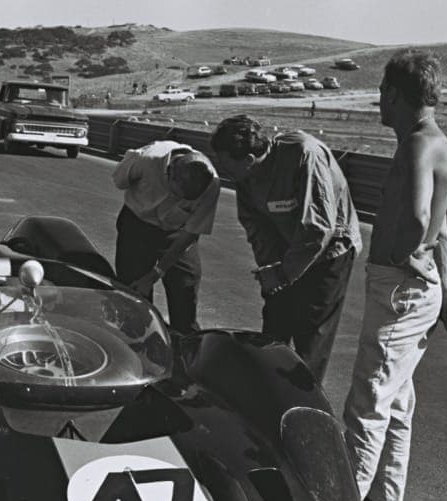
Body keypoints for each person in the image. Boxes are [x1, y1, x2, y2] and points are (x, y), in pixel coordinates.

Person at [342, 49, 447, 501]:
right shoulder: (439, 144)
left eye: (380, 94)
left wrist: (401, 257)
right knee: (397, 397)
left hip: (401, 286)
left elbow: (417, 219)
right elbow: (446, 233)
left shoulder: (417, 145)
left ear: (394, 94)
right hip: (422, 285)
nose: (378, 103)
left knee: (369, 396)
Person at [209, 115, 361, 382]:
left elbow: (317, 229)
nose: (222, 170)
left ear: (247, 160)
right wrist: (272, 271)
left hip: (329, 251)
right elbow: (255, 225)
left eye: (226, 164)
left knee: (310, 338)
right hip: (287, 248)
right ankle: (270, 395)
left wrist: (282, 274)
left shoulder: (303, 154)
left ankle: (304, 406)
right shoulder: (245, 176)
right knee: (275, 327)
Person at [112, 140, 221, 333]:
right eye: (177, 194)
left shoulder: (212, 184)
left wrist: (156, 273)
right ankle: (137, 341)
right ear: (169, 174)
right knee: (134, 294)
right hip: (136, 225)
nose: (179, 201)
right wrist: (145, 280)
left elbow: (191, 232)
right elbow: (119, 180)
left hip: (177, 232)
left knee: (186, 284)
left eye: (187, 201)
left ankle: (185, 344)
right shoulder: (145, 160)